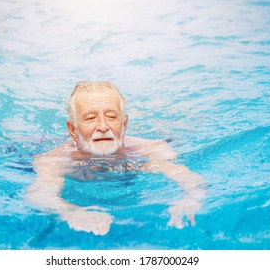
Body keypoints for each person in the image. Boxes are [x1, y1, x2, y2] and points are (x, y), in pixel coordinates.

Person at [26, 81, 206, 235]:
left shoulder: (151, 149)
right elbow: (40, 194)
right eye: (90, 118)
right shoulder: (54, 160)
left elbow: (188, 178)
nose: (103, 126)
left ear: (124, 123)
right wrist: (71, 211)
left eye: (112, 117)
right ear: (72, 130)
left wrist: (190, 198)